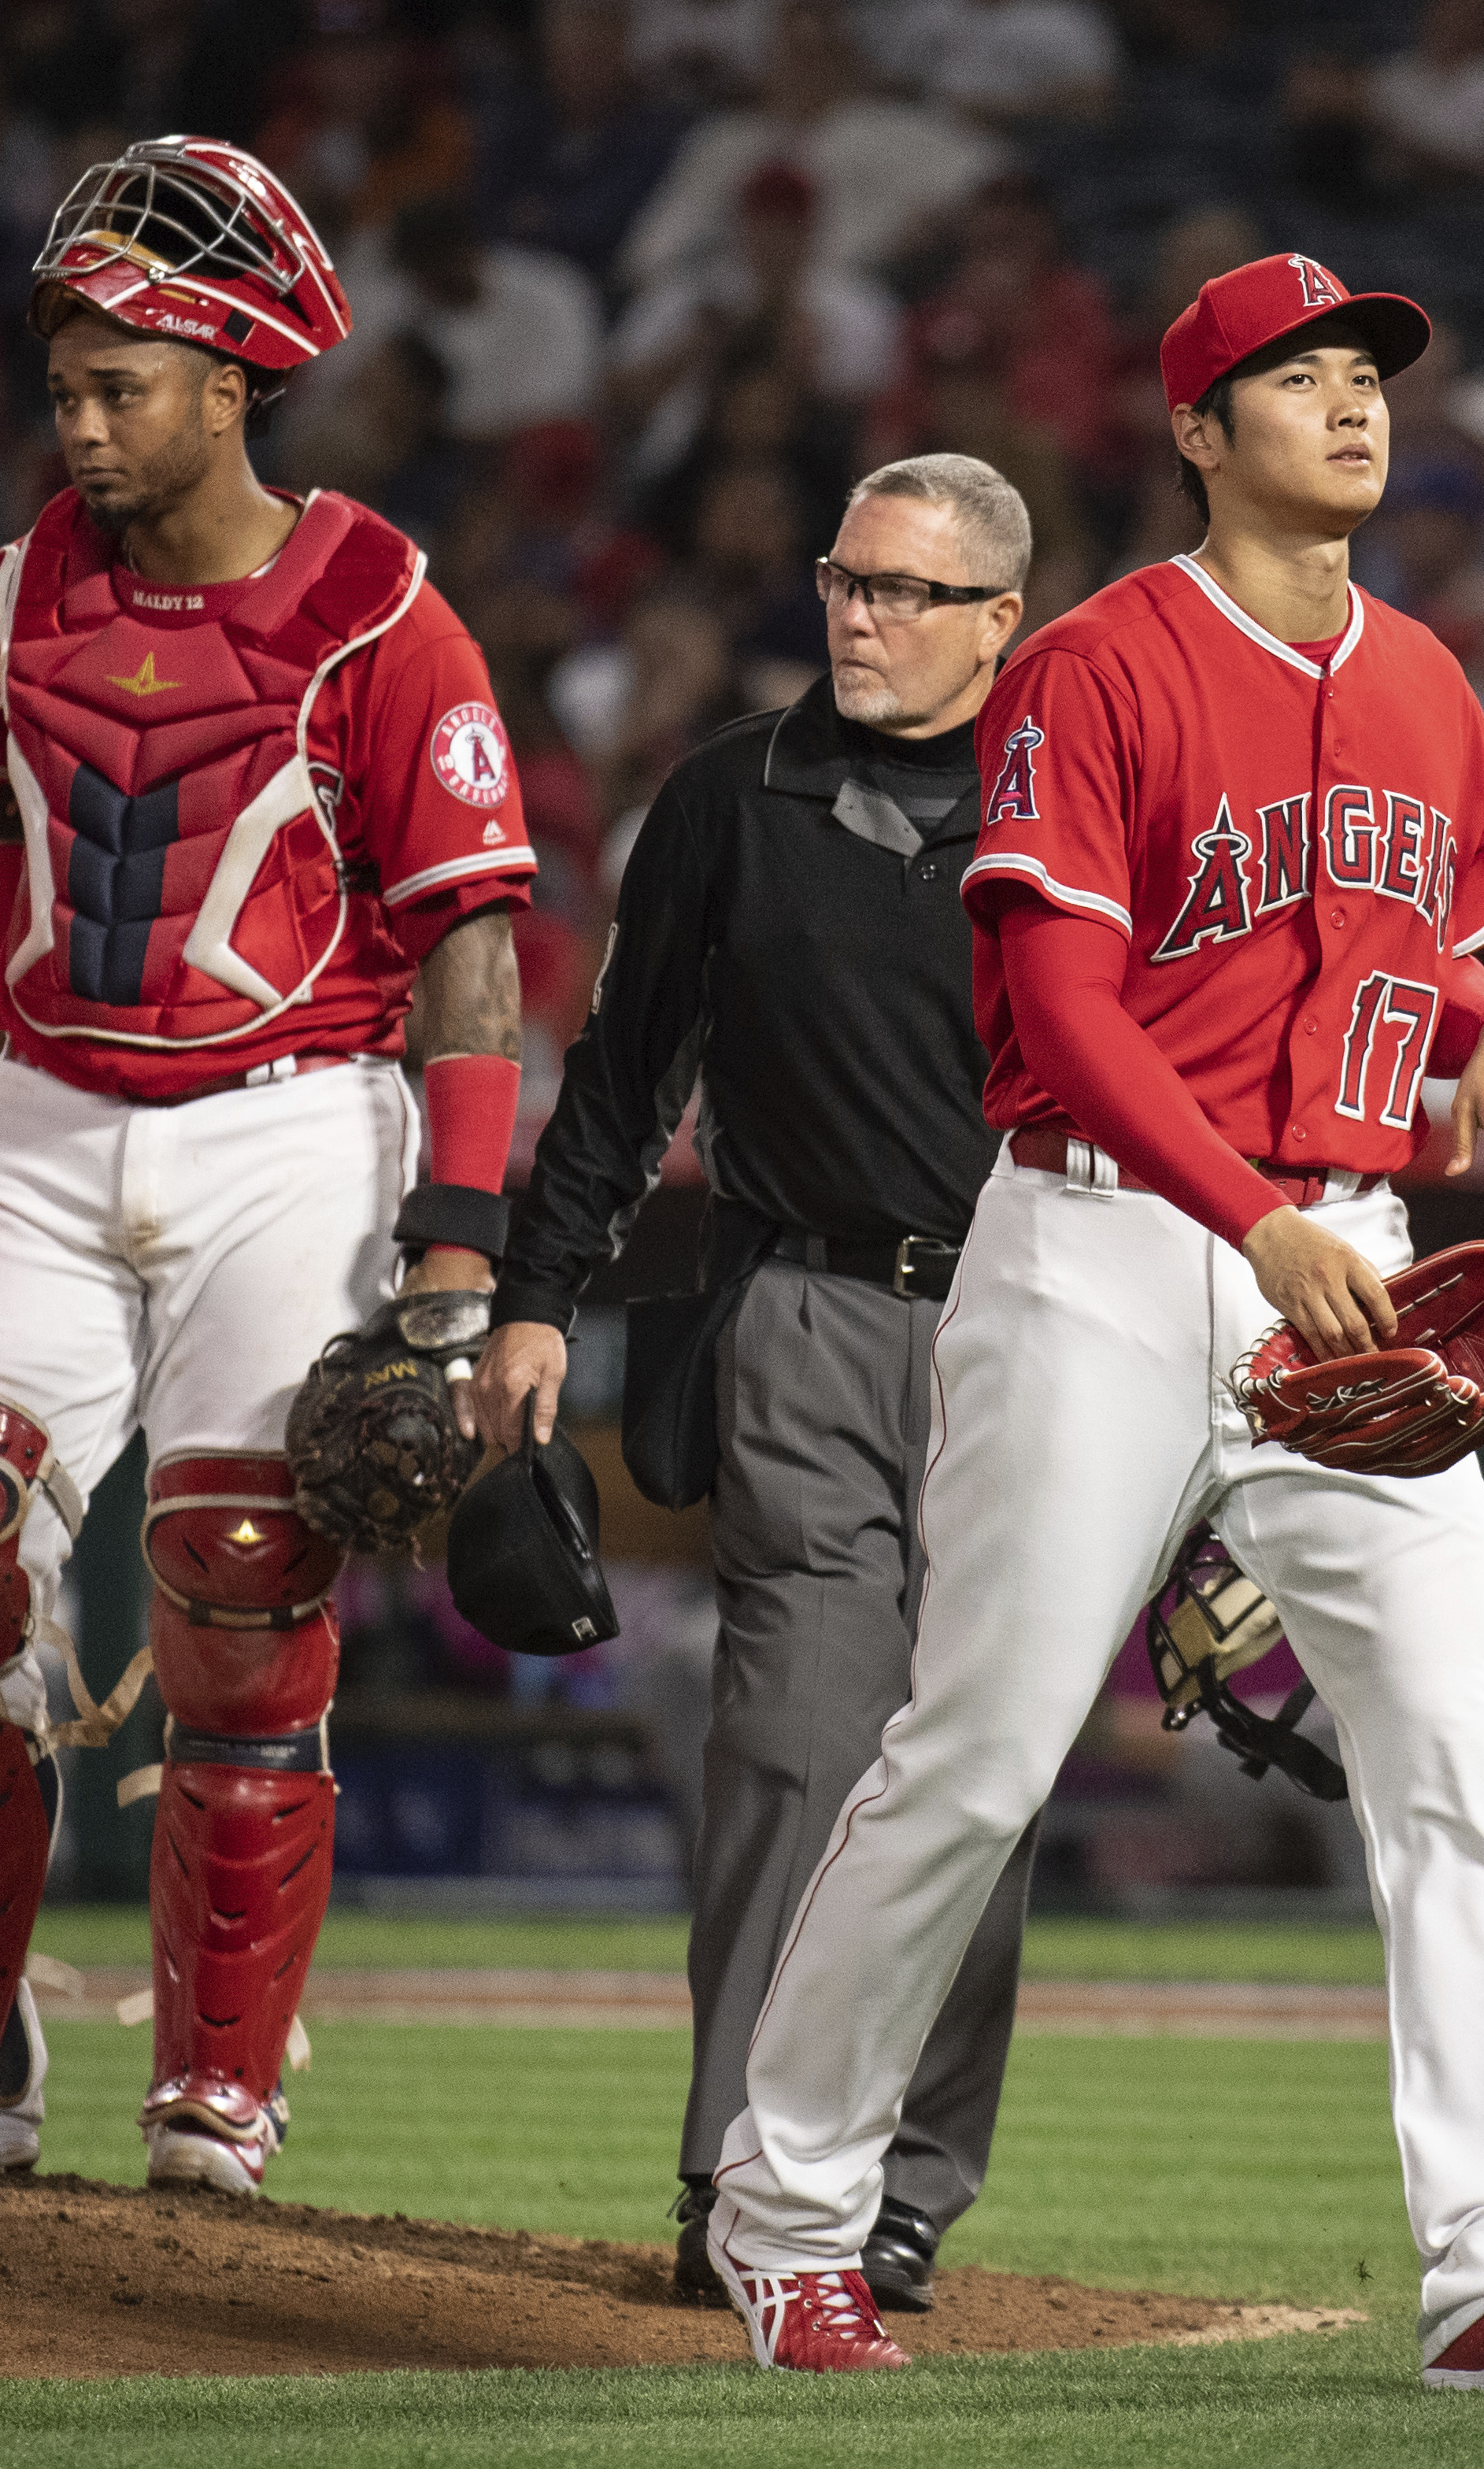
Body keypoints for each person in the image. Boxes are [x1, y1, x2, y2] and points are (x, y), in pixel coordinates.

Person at [701, 254, 1484, 2397]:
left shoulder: (1429, 680)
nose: (1351, 408)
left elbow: (1437, 944)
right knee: (972, 1762)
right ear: (1199, 433)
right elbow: (1057, 1000)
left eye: (1366, 378)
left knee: (1459, 1775)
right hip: (1108, 1251)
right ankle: (787, 2219)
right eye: (1297, 380)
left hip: (1346, 1260)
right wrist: (1250, 1216)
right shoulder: (1095, 663)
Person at [0, 138, 535, 2196]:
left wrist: (456, 1252)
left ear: (235, 377)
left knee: (237, 1579)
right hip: (45, 1107)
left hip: (295, 1116)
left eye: (128, 382)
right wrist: (36, 1042)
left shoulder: (386, 614)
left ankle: (219, 2073)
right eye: (69, 382)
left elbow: (473, 945)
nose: (84, 418)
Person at [471, 453, 1039, 2316]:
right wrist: (537, 1295)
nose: (860, 614)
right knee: (793, 1748)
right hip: (799, 1307)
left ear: (998, 621)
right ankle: (741, 2170)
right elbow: (625, 1073)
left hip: (1035, 1335)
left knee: (979, 1780)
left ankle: (904, 2191)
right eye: (845, 578)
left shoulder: (1082, 798)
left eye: (906, 590)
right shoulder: (730, 796)